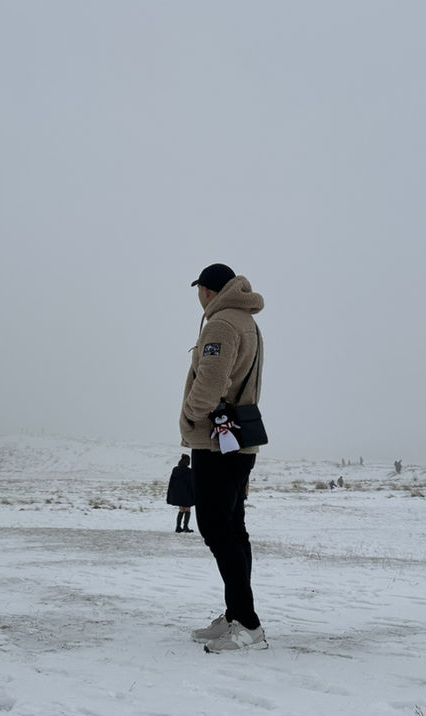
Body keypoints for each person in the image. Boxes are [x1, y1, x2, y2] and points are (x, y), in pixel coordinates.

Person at [179, 263, 268, 653]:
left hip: (216, 443)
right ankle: (237, 615)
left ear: (209, 291)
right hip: (238, 443)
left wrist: (188, 416)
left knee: (217, 529)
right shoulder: (247, 321)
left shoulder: (221, 324)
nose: (198, 295)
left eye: (199, 288)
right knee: (233, 529)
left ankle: (247, 624)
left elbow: (211, 383)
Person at [166, 454, 195, 532]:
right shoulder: (189, 471)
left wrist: (170, 494)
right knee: (187, 510)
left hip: (177, 493)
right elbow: (192, 483)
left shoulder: (175, 470)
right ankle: (185, 527)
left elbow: (171, 482)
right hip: (187, 493)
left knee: (181, 510)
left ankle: (178, 527)